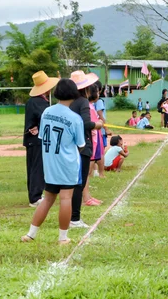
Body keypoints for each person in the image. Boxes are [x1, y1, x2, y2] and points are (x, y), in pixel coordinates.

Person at [21, 78, 86, 245]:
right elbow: (81, 144)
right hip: (67, 164)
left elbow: (43, 137)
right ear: (74, 94)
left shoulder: (47, 112)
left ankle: (30, 234)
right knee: (66, 199)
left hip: (50, 164)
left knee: (48, 198)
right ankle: (63, 237)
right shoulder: (74, 118)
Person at [69, 71, 102, 228]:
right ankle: (74, 218)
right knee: (78, 183)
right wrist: (97, 125)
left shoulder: (70, 101)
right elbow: (84, 123)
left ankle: (70, 216)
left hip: (71, 144)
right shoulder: (82, 101)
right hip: (83, 144)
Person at [24, 71, 59, 208]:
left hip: (34, 139)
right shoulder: (38, 102)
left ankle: (35, 194)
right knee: (37, 168)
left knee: (34, 167)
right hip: (36, 139)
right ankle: (35, 197)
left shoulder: (35, 101)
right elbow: (44, 117)